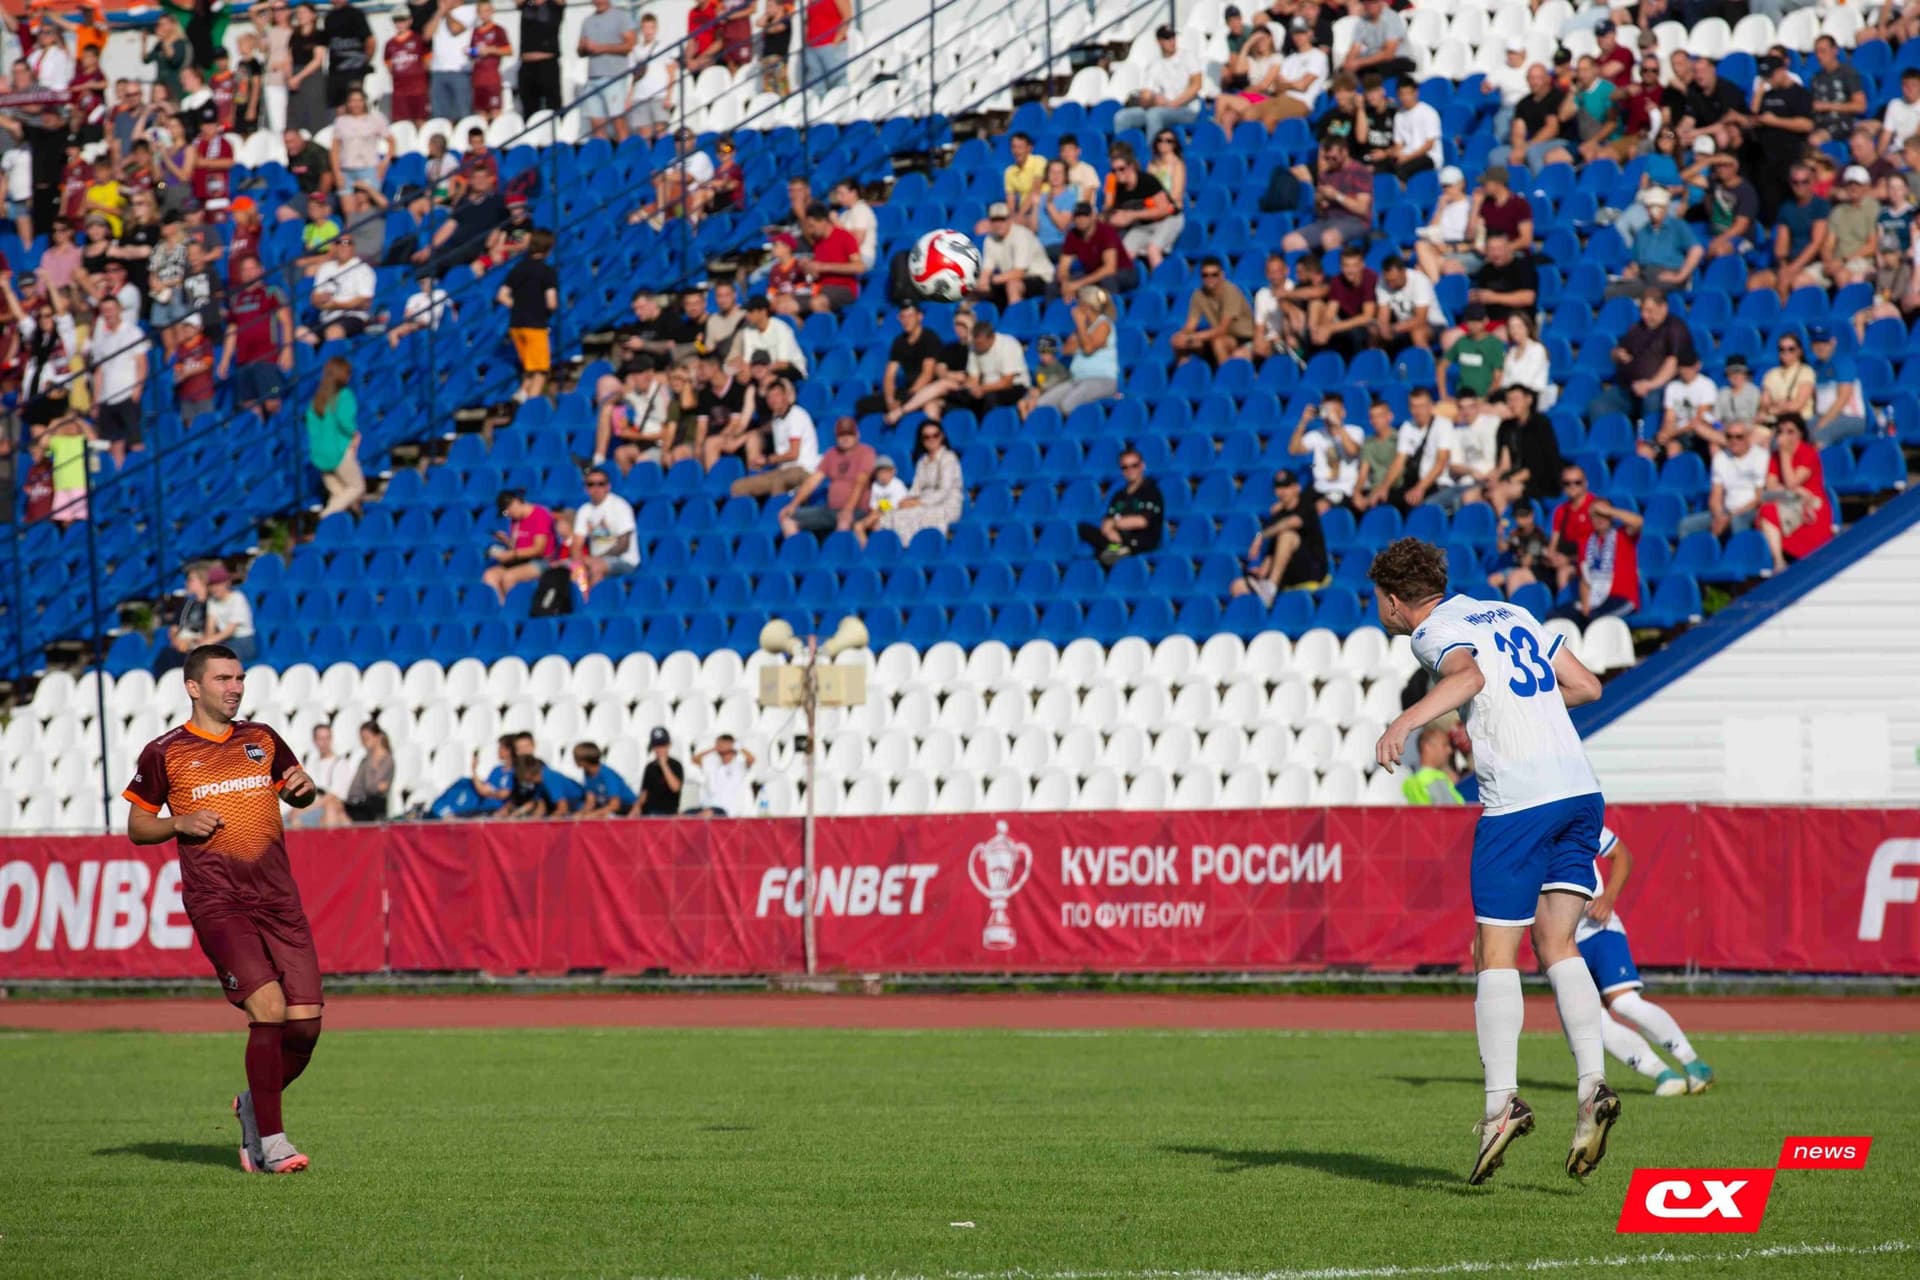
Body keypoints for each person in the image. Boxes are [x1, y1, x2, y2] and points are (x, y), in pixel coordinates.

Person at [1366, 537, 1618, 1186]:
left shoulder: (1433, 631)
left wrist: (1406, 721)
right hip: (1580, 791)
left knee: (1493, 954)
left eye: (1379, 601)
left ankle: (1498, 1105)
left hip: (1521, 800)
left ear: (1396, 601)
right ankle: (1592, 1084)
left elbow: (1469, 676)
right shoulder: (1512, 613)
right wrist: (1519, 707)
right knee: (1558, 942)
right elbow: (1586, 686)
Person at [124, 644, 324, 1175]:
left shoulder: (261, 740)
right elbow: (137, 827)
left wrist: (303, 792)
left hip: (279, 899)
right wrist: (177, 823)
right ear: (193, 687)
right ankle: (272, 1142)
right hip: (219, 901)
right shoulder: (164, 752)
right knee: (268, 1010)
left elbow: (296, 791)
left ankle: (256, 1104)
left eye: (239, 678)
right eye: (222, 679)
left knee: (304, 1029)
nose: (235, 687)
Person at [1579, 828, 1717, 1095]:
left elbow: (1622, 855)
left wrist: (1608, 898)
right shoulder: (1522, 832)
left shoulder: (1576, 813)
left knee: (1624, 1002)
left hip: (1598, 929)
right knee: (1589, 1021)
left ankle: (1693, 1063)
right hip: (1562, 944)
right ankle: (1663, 1075)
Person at [1231, 468, 1326, 601]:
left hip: (1311, 570)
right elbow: (1273, 551)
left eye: (1286, 487)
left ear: (1296, 488)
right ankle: (1256, 615)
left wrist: (1261, 536)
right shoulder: (1277, 515)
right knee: (1238, 586)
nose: (1282, 492)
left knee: (1287, 535)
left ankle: (1270, 587)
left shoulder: (1306, 506)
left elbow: (1292, 522)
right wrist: (1262, 569)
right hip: (1286, 573)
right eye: (1279, 488)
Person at [1755, 414, 1833, 573]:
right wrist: (1796, 490)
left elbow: (1792, 481)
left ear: (1800, 434)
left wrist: (1785, 455)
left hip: (1811, 505)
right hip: (1788, 500)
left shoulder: (1807, 453)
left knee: (1769, 510)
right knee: (1766, 508)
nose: (1784, 436)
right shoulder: (1775, 456)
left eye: (1790, 431)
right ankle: (1779, 561)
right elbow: (1770, 486)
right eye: (1781, 431)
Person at [1024, 285, 1118, 416]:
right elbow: (1066, 350)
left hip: (1101, 379)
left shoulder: (1103, 324)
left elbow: (1088, 349)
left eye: (1078, 304)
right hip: (1077, 380)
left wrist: (1080, 324)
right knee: (1041, 404)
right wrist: (1081, 332)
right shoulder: (1082, 330)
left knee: (1068, 405)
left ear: (1086, 306)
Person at [869, 422, 964, 546]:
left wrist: (917, 502)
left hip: (946, 504)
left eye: (935, 435)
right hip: (922, 502)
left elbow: (944, 492)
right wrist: (906, 501)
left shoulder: (949, 458)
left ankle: (910, 548)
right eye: (926, 437)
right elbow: (916, 488)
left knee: (914, 516)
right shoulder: (922, 461)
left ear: (942, 436)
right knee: (891, 515)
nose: (931, 439)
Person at [779, 417, 874, 538]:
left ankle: (839, 555)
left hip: (857, 510)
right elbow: (813, 481)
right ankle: (796, 554)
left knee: (844, 522)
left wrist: (848, 509)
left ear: (857, 435)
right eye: (841, 435)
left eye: (849, 434)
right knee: (788, 518)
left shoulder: (866, 452)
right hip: (830, 510)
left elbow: (861, 482)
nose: (845, 438)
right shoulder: (831, 454)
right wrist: (793, 504)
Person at [1552, 500, 1643, 623]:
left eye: (1603, 515)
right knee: (1556, 616)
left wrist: (1609, 510)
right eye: (1595, 515)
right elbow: (1585, 579)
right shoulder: (1586, 543)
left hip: (1621, 598)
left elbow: (1638, 522)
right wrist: (1585, 605)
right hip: (1594, 598)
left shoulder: (1622, 535)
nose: (1600, 519)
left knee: (1594, 619)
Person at [496, 227, 556, 402]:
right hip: (535, 325)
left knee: (530, 367)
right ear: (548, 249)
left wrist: (519, 307)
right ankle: (530, 406)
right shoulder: (547, 272)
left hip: (516, 325)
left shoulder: (518, 268)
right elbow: (551, 302)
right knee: (541, 371)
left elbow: (501, 295)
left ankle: (522, 393)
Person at [1077, 447, 1165, 566]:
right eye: (1125, 467)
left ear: (1142, 466)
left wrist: (1113, 523)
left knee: (1104, 554)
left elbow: (1142, 521)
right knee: (1084, 528)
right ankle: (1113, 550)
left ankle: (1113, 552)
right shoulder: (1119, 495)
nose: (1130, 470)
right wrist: (1109, 531)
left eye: (1134, 465)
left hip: (1140, 541)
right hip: (1118, 540)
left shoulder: (1151, 491)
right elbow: (1107, 521)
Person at [1113, 24, 1203, 137]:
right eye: (1167, 38)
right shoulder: (1154, 65)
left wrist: (1173, 103)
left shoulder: (1188, 57)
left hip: (1187, 109)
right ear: (1159, 41)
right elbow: (1146, 97)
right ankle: (1121, 152)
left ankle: (1153, 153)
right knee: (1121, 117)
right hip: (1161, 108)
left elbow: (1197, 85)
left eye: (1173, 37)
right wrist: (1154, 101)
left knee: (1154, 115)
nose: (1172, 41)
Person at [303, 356, 362, 519]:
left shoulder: (317, 399)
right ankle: (324, 517)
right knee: (357, 487)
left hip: (319, 455)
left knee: (339, 495)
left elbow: (310, 424)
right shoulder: (344, 395)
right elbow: (345, 421)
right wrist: (354, 434)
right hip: (339, 452)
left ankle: (332, 529)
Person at [1170, 255, 1253, 367]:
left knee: (1218, 342)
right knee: (1181, 342)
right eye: (1205, 275)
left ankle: (1225, 377)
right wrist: (1182, 336)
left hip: (1242, 337)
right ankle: (1184, 375)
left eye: (1214, 275)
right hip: (1220, 335)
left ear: (1222, 275)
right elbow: (1190, 325)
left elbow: (1223, 329)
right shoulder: (1198, 295)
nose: (1210, 278)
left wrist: (1192, 337)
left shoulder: (1231, 292)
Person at [570, 466, 639, 591]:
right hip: (596, 559)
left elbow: (624, 544)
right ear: (586, 488)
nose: (596, 488)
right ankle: (579, 604)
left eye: (601, 484)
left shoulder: (620, 506)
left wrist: (596, 558)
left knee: (596, 568)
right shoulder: (584, 510)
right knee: (566, 567)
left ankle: (593, 606)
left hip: (624, 560)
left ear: (608, 486)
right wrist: (577, 562)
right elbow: (576, 544)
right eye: (591, 484)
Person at [483, 489, 554, 602]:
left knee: (509, 577)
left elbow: (539, 549)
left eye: (507, 511)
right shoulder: (515, 521)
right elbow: (518, 545)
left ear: (515, 502)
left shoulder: (539, 514)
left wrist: (512, 554)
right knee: (490, 575)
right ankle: (503, 609)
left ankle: (515, 610)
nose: (508, 515)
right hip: (521, 560)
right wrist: (506, 541)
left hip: (543, 561)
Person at [977, 201, 1052, 306]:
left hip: (1040, 278)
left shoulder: (1021, 235)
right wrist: (982, 283)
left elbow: (1019, 272)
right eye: (995, 220)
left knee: (1013, 285)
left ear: (1009, 220)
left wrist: (991, 280)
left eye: (1002, 220)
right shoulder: (990, 239)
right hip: (1008, 278)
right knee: (976, 289)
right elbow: (987, 269)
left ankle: (1015, 319)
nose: (998, 224)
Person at [1056, 202, 1137, 296]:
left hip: (1123, 272)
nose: (1081, 219)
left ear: (1093, 216)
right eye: (1077, 216)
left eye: (1085, 216)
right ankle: (1061, 309)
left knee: (1106, 280)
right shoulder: (1072, 235)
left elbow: (1110, 268)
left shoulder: (1106, 231)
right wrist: (1065, 283)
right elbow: (1063, 266)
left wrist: (1078, 284)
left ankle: (1111, 309)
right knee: (1054, 286)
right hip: (1094, 272)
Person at [689, 735, 755, 816]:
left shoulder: (739, 765)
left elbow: (751, 759)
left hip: (727, 810)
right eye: (718, 743)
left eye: (723, 743)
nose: (720, 745)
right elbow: (695, 759)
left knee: (705, 814)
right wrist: (714, 748)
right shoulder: (712, 764)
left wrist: (735, 746)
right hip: (708, 806)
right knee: (683, 815)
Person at [341, 721, 393, 822]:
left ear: (377, 737)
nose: (363, 742)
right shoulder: (365, 760)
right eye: (362, 739)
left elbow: (371, 787)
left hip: (370, 806)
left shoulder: (386, 760)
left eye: (367, 738)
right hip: (356, 803)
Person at [1401, 725, 1465, 805]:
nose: (1450, 750)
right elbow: (1452, 812)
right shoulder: (1432, 780)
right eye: (1444, 745)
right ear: (1428, 747)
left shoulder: (1409, 783)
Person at [572, 742, 635, 817]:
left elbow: (615, 805)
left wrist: (593, 815)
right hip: (609, 807)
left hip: (627, 807)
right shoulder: (587, 773)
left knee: (604, 816)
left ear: (584, 760)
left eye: (576, 757)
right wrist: (581, 813)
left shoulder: (607, 774)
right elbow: (590, 802)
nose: (574, 760)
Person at [638, 726, 685, 815]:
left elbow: (675, 788)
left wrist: (664, 765)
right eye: (656, 746)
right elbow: (644, 793)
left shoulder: (676, 765)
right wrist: (636, 808)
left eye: (662, 745)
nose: (659, 749)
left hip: (667, 812)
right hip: (648, 811)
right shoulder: (650, 767)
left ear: (669, 745)